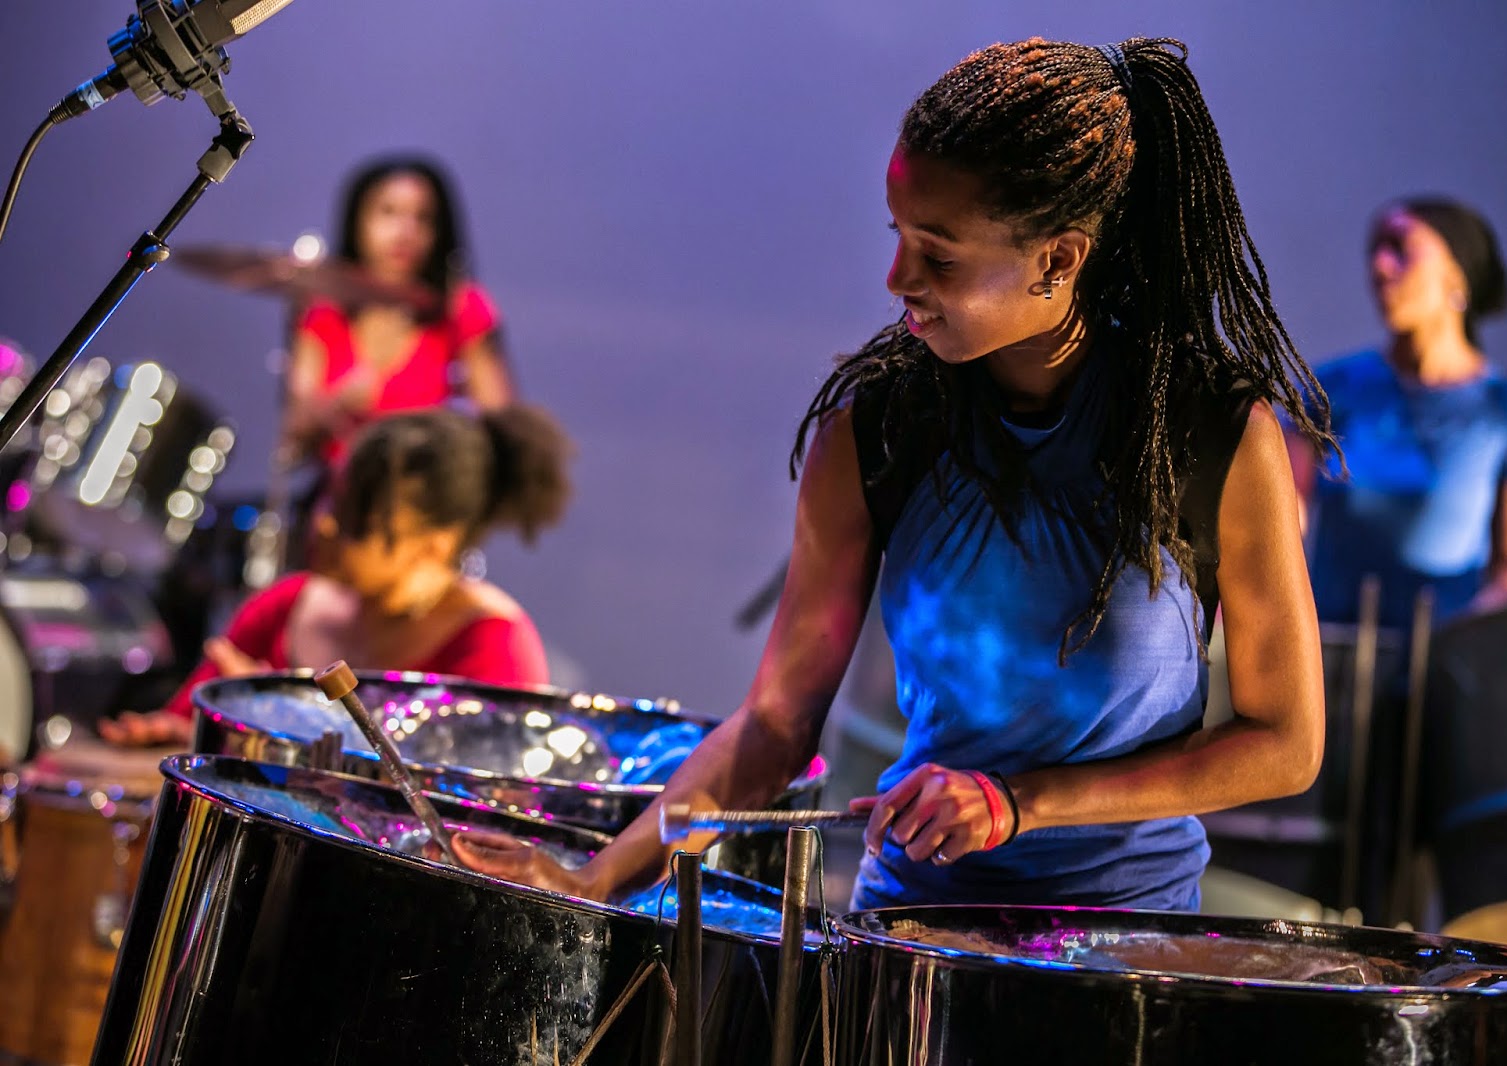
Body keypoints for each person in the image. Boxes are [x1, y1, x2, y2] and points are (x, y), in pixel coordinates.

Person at [458, 37, 1328, 912]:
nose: (897, 278)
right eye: (899, 236)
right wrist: (592, 879)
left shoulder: (1212, 433)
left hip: (1123, 951)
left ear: (1059, 259)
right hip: (909, 931)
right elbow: (774, 723)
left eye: (939, 254)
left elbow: (1285, 742)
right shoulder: (877, 427)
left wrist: (1019, 806)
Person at [100, 403, 572, 746]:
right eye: (331, 496)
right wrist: (187, 733)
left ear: (434, 545)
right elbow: (187, 726)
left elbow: (458, 821)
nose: (324, 522)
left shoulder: (492, 647)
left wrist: (280, 722)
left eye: (355, 520)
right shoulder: (286, 604)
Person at [1285, 199, 1507, 629]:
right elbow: (1279, 522)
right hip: (1330, 664)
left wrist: (1459, 641)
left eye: (1400, 247)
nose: (1380, 266)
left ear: (1456, 271)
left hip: (1440, 673)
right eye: (1374, 250)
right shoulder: (1330, 389)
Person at [283, 155, 516, 471]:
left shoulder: (460, 308)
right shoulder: (325, 310)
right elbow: (295, 435)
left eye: (423, 218)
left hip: (435, 493)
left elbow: (500, 425)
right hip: (344, 494)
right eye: (388, 212)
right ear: (358, 220)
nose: (406, 231)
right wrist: (337, 402)